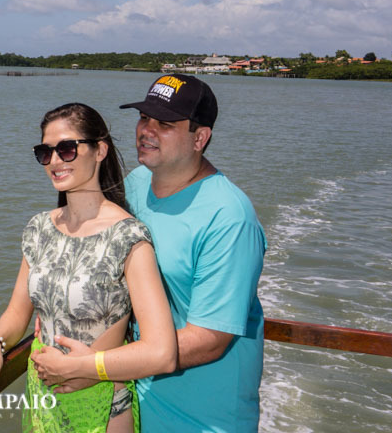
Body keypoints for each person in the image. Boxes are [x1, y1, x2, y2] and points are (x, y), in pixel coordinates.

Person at [32, 75, 266, 432]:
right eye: (144, 118)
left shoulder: (229, 218)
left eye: (166, 124)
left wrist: (94, 365)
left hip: (201, 418)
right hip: (130, 403)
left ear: (200, 138)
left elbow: (210, 340)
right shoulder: (133, 186)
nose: (146, 130)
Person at [0, 102, 176, 433]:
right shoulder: (39, 229)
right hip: (43, 400)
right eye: (45, 153)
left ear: (100, 150)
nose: (55, 162)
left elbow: (162, 353)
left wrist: (86, 367)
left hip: (103, 407)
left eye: (67, 149)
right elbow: (18, 312)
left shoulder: (128, 236)